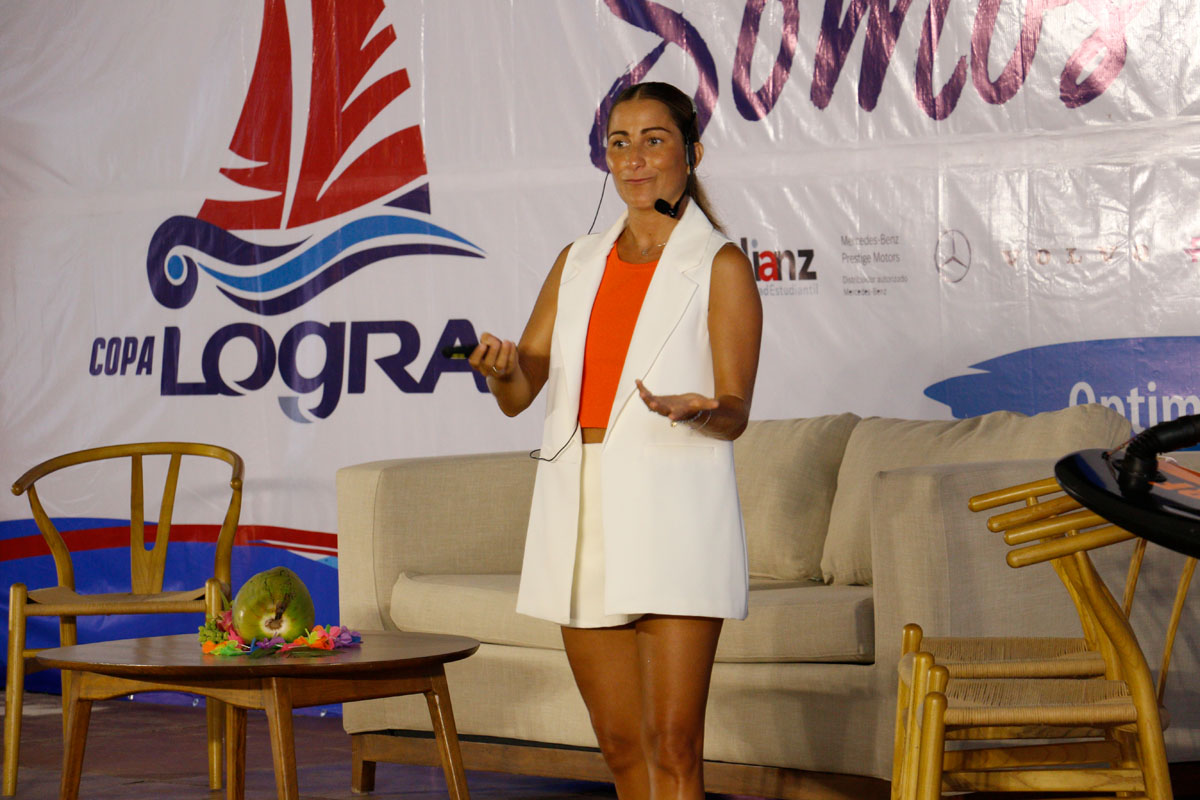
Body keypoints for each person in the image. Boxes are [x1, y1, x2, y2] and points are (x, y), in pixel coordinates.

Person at [468, 81, 762, 800]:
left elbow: (734, 413)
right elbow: (519, 395)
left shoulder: (720, 264)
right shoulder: (577, 261)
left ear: (692, 154)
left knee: (674, 747)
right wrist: (500, 370)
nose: (633, 159)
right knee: (622, 746)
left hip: (674, 511)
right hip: (580, 511)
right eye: (618, 143)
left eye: (653, 141)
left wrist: (700, 411)